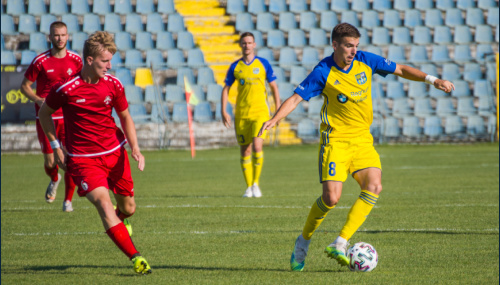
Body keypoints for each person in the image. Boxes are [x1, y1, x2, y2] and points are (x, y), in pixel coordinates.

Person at [259, 23, 455, 271]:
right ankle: (303, 241)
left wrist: (432, 79)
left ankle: (340, 242)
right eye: (348, 46)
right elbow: (297, 97)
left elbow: (401, 69)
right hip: (336, 141)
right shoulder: (323, 71)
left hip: (362, 139)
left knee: (374, 186)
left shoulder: (365, 60)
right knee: (331, 199)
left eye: (356, 46)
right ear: (335, 45)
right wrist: (275, 119)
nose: (353, 51)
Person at [38, 31, 152, 274]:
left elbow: (124, 116)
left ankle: (122, 221)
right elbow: (44, 114)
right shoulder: (67, 89)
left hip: (115, 154)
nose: (109, 66)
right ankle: (136, 258)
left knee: (128, 208)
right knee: (103, 203)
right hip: (83, 161)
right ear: (89, 60)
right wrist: (56, 146)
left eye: (110, 61)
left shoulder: (113, 84)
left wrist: (136, 148)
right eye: (105, 62)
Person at [20, 21, 82, 212]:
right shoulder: (40, 61)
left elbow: (82, 85)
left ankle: (68, 201)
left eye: (63, 35)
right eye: (56, 35)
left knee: (69, 159)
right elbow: (24, 86)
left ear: (68, 36)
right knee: (50, 162)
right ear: (50, 37)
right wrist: (38, 100)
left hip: (68, 118)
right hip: (46, 118)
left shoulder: (76, 60)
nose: (60, 38)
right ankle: (55, 178)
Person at [221, 32, 280, 198]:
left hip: (260, 112)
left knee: (257, 146)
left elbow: (274, 88)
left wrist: (278, 111)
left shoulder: (263, 64)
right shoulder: (235, 67)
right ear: (241, 45)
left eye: (249, 43)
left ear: (254, 45)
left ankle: (256, 184)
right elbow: (226, 88)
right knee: (245, 150)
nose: (247, 45)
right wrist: (223, 110)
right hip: (242, 114)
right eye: (244, 43)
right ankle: (248, 187)